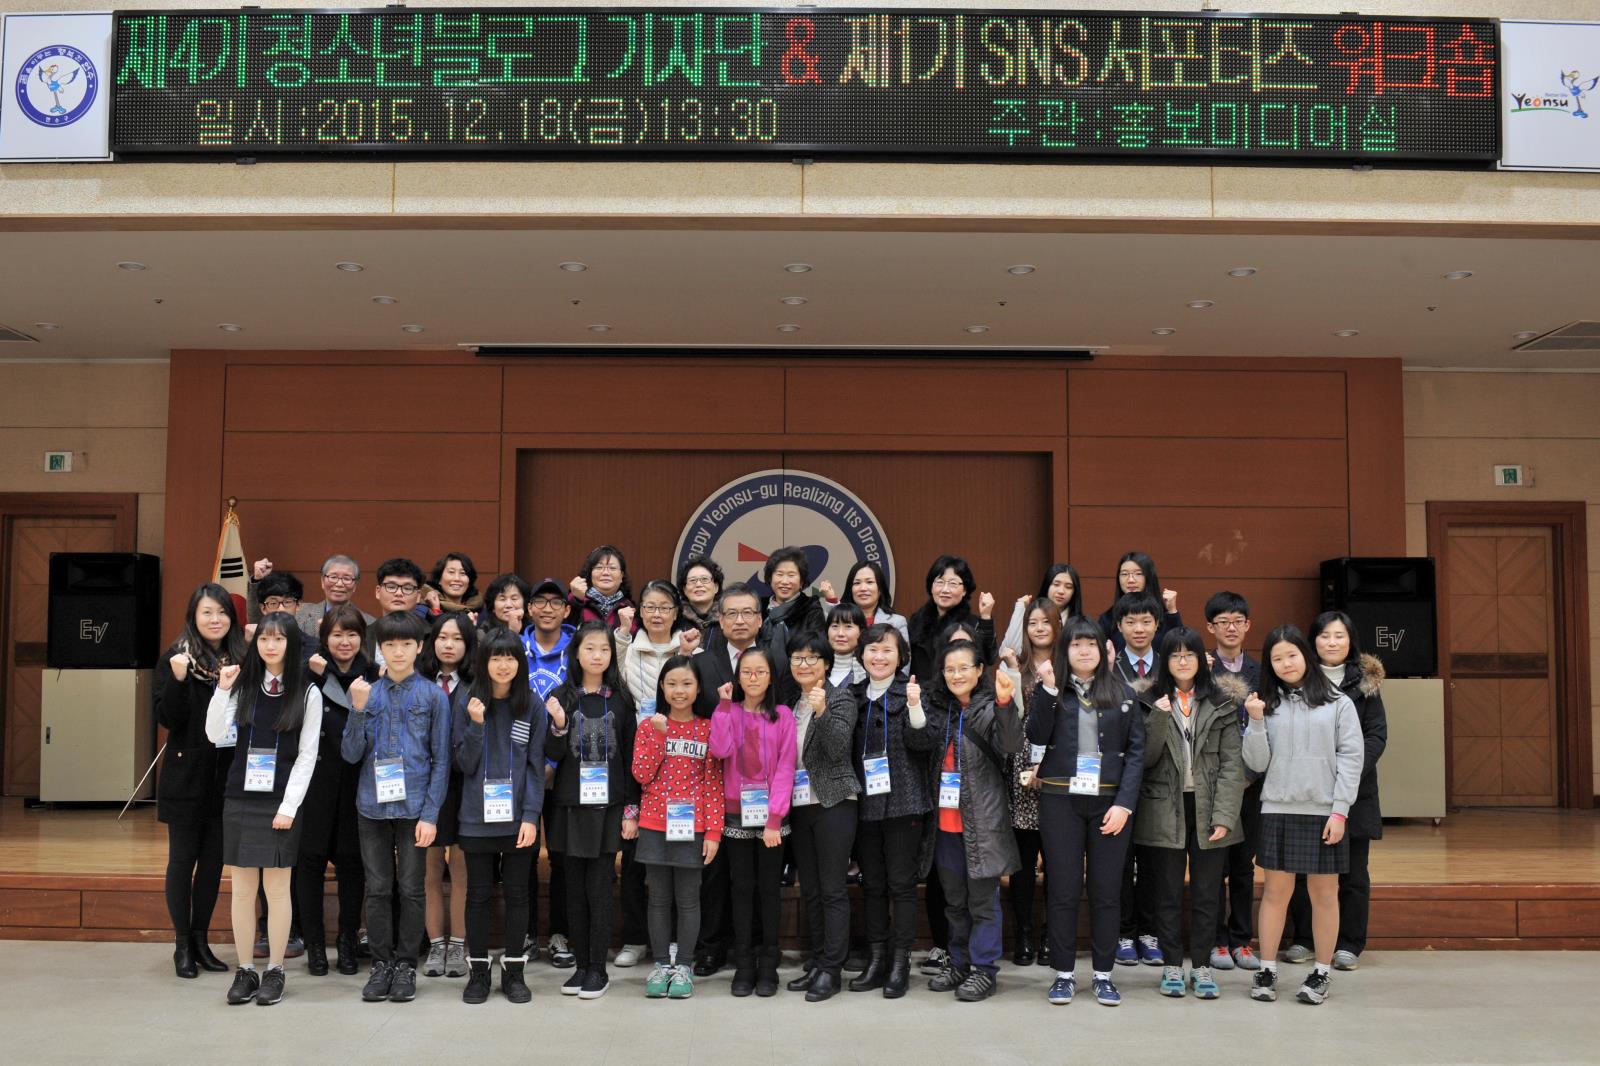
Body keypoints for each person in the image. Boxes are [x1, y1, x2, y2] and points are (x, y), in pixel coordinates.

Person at [205, 613, 323, 1006]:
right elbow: (214, 734)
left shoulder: (307, 693)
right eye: (264, 639)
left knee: (276, 889)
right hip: (240, 796)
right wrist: (222, 690)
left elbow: (307, 757)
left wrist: (289, 806)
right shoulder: (242, 686)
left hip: (281, 801)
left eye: (279, 639)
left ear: (291, 645)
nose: (270, 646)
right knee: (242, 890)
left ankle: (274, 969)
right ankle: (245, 969)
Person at [1028, 615, 1144, 1007]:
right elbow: (1036, 736)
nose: (1083, 650)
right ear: (1066, 650)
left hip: (1109, 805)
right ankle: (1063, 973)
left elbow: (1137, 754)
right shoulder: (1052, 691)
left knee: (1107, 891)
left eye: (1090, 644)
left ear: (1103, 650)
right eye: (1075, 644)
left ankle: (1103, 974)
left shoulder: (1123, 694)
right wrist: (1045, 690)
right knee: (1061, 889)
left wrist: (1125, 804)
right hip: (1059, 801)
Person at [1244, 624, 1363, 1006]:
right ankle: (1267, 968)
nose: (1285, 664)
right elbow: (1256, 763)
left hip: (1324, 811)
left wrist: (1340, 812)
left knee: (1324, 894)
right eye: (1276, 659)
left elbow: (1351, 759)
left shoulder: (1337, 702)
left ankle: (1322, 972)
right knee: (1275, 892)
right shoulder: (1265, 703)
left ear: (1305, 655)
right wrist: (1257, 721)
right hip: (1277, 807)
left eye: (1291, 655)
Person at [340, 610, 453, 1003]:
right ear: (380, 648)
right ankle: (381, 964)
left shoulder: (434, 697)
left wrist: (430, 814)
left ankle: (406, 965)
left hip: (414, 807)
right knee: (377, 888)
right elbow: (350, 754)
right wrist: (355, 709)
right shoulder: (366, 692)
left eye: (407, 643)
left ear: (420, 647)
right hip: (371, 805)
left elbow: (441, 760)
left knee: (411, 889)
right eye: (390, 644)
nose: (399, 651)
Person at [1134, 627, 1247, 1000]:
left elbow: (1233, 766)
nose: (1183, 662)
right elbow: (1145, 760)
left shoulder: (1222, 703)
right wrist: (1159, 719)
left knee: (1207, 893)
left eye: (1190, 655)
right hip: (1163, 806)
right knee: (1165, 892)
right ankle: (1170, 965)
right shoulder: (1149, 700)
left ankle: (1200, 966)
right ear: (1165, 662)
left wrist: (1225, 816)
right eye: (1175, 655)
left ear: (1202, 660)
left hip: (1210, 807)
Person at [689, 582, 791, 975]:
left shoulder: (777, 660)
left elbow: (781, 734)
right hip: (719, 789)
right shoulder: (704, 662)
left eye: (748, 612)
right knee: (719, 878)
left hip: (766, 799)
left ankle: (763, 952)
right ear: (719, 618)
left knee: (762, 884)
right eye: (731, 613)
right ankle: (715, 947)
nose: (740, 619)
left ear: (760, 618)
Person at [1282, 611, 1388, 972]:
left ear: (1350, 641)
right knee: (1303, 870)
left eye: (1339, 636)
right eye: (1325, 636)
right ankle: (1304, 938)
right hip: (1307, 791)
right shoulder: (1299, 680)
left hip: (1353, 792)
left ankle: (1350, 943)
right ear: (1313, 641)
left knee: (1353, 872)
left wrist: (1347, 771)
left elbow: (1376, 736)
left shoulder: (1366, 684)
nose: (1332, 642)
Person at [921, 640, 1023, 1003]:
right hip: (945, 826)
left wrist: (1007, 704)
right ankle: (960, 962)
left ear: (980, 670)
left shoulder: (988, 707)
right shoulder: (942, 711)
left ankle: (984, 969)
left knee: (983, 903)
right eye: (950, 669)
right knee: (954, 902)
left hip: (983, 822)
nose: (956, 675)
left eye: (964, 667)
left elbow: (1011, 745)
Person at [544, 621, 640, 1000]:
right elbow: (550, 756)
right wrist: (559, 726)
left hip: (609, 807)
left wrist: (631, 810)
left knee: (599, 890)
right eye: (590, 649)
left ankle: (598, 969)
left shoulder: (620, 699)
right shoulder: (560, 696)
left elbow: (631, 759)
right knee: (573, 890)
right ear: (577, 653)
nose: (597, 655)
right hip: (569, 807)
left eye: (604, 649)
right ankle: (580, 966)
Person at [158, 583, 248, 979]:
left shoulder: (242, 659)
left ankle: (201, 941)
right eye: (207, 612)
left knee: (212, 865)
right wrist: (178, 680)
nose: (215, 619)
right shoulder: (177, 658)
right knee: (182, 861)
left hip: (227, 777)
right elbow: (168, 720)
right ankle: (181, 945)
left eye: (222, 612)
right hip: (185, 774)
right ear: (194, 617)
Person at [453, 628, 547, 1004]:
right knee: (477, 895)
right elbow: (464, 763)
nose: (503, 664)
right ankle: (478, 972)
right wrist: (476, 725)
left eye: (510, 657)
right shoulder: (466, 702)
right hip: (476, 817)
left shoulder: (532, 705)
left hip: (518, 820)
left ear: (519, 663)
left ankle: (514, 971)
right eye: (496, 657)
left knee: (518, 895)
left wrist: (530, 816)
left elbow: (537, 767)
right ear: (483, 662)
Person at [613, 580, 698, 968]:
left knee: (684, 871)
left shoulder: (692, 649)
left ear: (676, 611)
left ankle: (683, 946)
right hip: (640, 749)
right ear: (640, 611)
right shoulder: (627, 648)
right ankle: (636, 939)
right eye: (650, 606)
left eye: (665, 606)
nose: (657, 613)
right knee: (636, 858)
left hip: (683, 757)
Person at [848, 623, 936, 998]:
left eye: (887, 650)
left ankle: (900, 962)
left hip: (905, 804)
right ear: (861, 655)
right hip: (866, 804)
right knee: (874, 885)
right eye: (872, 650)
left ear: (901, 657)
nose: (879, 657)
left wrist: (915, 707)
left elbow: (924, 742)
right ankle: (877, 958)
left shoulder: (913, 693)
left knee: (901, 886)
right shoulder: (852, 696)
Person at [632, 655, 724, 999]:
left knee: (688, 900)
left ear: (698, 687)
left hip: (693, 827)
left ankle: (683, 966)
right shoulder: (648, 725)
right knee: (657, 900)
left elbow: (714, 783)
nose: (679, 690)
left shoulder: (708, 727)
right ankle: (660, 964)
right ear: (661, 687)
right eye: (671, 683)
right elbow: (641, 774)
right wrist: (660, 736)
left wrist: (713, 832)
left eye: (686, 683)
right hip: (654, 823)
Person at [708, 647, 796, 998]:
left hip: (773, 819)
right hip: (736, 815)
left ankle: (768, 966)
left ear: (771, 676)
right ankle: (743, 965)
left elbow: (787, 766)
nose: (754, 678)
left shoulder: (784, 715)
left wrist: (775, 817)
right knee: (741, 890)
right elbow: (720, 750)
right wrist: (724, 708)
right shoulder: (728, 711)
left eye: (760, 671)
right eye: (747, 672)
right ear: (738, 677)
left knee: (769, 892)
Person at [782, 629, 860, 1002]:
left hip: (834, 803)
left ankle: (832, 968)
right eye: (798, 657)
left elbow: (837, 746)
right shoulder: (789, 703)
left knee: (832, 889)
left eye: (812, 657)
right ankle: (817, 961)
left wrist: (822, 710)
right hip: (800, 806)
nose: (804, 664)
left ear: (827, 664)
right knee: (810, 889)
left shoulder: (841, 697)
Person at [300, 604, 378, 977]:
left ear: (362, 638)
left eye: (351, 634)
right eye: (336, 634)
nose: (344, 642)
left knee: (352, 867)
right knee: (309, 865)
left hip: (356, 787)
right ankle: (315, 945)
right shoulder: (308, 675)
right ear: (324, 637)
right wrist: (315, 675)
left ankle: (347, 940)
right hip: (314, 787)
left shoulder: (374, 676)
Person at [1204, 590, 1263, 972]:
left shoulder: (1261, 671)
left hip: (1252, 782)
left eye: (1237, 621)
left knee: (1244, 865)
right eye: (1222, 621)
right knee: (1214, 866)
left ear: (1247, 625)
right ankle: (1216, 941)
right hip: (1213, 782)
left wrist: (1248, 775)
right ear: (1210, 627)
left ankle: (1242, 939)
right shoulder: (1202, 669)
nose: (1230, 627)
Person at [1001, 597, 1060, 968]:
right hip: (1020, 773)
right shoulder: (1014, 667)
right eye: (1033, 623)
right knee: (1023, 863)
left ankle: (1052, 935)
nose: (1039, 628)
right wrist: (1008, 670)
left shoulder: (1069, 668)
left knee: (1057, 862)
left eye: (1045, 622)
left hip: (1056, 771)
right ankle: (1023, 932)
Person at [418, 613, 476, 980]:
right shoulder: (419, 682)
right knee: (430, 867)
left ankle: (459, 944)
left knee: (461, 869)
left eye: (457, 638)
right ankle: (435, 944)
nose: (449, 644)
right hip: (425, 786)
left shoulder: (477, 684)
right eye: (442, 637)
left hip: (465, 785)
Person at [522, 576, 576, 967]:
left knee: (561, 854)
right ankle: (524, 933)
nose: (547, 608)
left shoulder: (578, 649)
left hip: (566, 767)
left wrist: (553, 763)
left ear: (566, 610)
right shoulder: (513, 648)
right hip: (517, 767)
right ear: (529, 609)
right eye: (539, 602)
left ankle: (560, 933)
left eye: (555, 602)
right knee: (521, 854)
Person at [907, 554, 996, 682]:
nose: (945, 589)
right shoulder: (917, 620)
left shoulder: (972, 624)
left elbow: (989, 657)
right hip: (921, 696)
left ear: (964, 590)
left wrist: (986, 617)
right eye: (940, 582)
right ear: (931, 586)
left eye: (953, 584)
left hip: (957, 694)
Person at [247, 553, 373, 639]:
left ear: (355, 585)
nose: (339, 584)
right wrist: (258, 581)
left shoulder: (370, 623)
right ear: (322, 581)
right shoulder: (299, 611)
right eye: (333, 577)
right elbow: (260, 623)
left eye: (347, 578)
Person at [1097, 551, 1183, 653]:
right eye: (1124, 574)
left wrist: (1172, 611)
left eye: (1138, 573)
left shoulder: (1165, 613)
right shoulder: (1107, 618)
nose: (1131, 580)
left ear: (1149, 576)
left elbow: (1178, 649)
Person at [1000, 563, 1084, 657]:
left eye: (1068, 587)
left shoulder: (1080, 624)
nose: (1061, 591)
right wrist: (1020, 609)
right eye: (1056, 584)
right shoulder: (1030, 614)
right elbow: (1007, 651)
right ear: (1047, 585)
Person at [832, 560, 909, 644]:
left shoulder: (897, 622)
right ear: (850, 589)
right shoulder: (836, 620)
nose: (863, 588)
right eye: (857, 583)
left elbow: (905, 656)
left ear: (880, 589)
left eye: (869, 582)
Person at [762, 545, 825, 638]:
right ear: (770, 578)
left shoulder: (811, 608)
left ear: (801, 581)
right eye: (779, 574)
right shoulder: (759, 607)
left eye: (791, 575)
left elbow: (816, 645)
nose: (784, 581)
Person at [567, 545, 634, 627]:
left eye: (612, 568)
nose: (605, 573)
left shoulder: (628, 607)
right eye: (599, 567)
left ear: (621, 576)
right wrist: (576, 601)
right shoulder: (575, 600)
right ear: (590, 574)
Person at [423, 551, 484, 616]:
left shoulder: (480, 610)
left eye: (463, 573)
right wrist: (436, 610)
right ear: (439, 579)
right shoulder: (424, 606)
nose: (457, 578)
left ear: (469, 581)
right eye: (451, 572)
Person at [823, 602, 868, 689]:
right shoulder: (815, 665)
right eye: (835, 626)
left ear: (861, 631)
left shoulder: (869, 670)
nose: (840, 633)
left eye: (848, 626)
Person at [675, 554, 723, 634]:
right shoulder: (674, 618)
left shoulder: (727, 618)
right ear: (684, 589)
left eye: (704, 579)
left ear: (716, 587)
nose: (698, 584)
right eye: (692, 580)